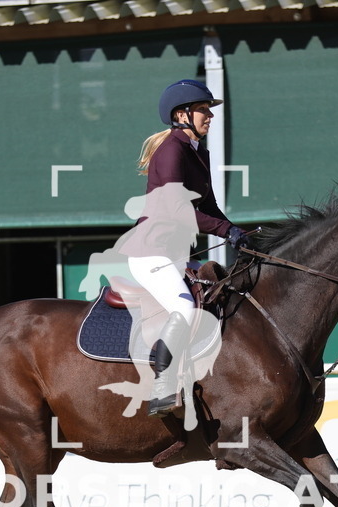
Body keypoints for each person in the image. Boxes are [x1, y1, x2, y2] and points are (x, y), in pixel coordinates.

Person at [125, 79, 248, 418]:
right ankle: (162, 386)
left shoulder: (197, 153)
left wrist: (242, 233)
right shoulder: (171, 151)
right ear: (182, 114)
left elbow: (208, 207)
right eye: (203, 109)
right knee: (183, 307)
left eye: (209, 110)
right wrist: (226, 230)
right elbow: (176, 209)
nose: (210, 115)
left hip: (172, 256)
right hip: (149, 253)